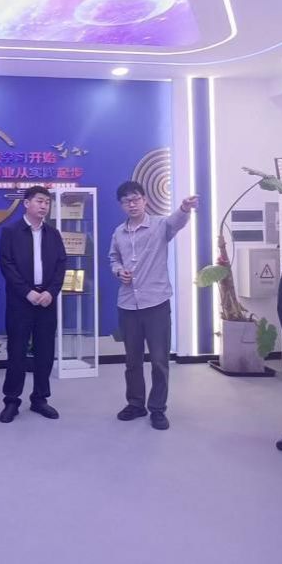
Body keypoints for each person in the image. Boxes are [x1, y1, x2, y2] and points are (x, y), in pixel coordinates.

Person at [108, 181, 199, 431]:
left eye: (136, 198)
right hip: (128, 305)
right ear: (121, 205)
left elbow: (176, 222)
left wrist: (184, 208)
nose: (132, 204)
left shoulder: (160, 225)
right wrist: (119, 271)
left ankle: (157, 408)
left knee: (159, 360)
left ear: (145, 200)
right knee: (132, 361)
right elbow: (113, 258)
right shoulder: (118, 233)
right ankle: (135, 404)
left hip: (156, 303)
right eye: (126, 201)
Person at [0, 186, 67, 423]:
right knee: (17, 351)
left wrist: (51, 292)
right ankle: (11, 401)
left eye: (47, 202)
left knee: (45, 352)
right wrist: (27, 292)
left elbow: (61, 265)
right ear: (27, 203)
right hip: (20, 301)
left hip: (46, 301)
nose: (44, 205)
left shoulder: (53, 234)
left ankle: (40, 399)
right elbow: (6, 265)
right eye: (39, 201)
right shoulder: (10, 232)